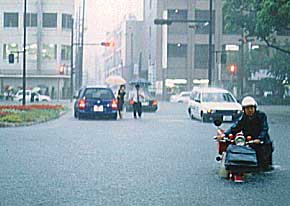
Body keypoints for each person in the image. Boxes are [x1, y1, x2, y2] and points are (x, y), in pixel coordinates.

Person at [217, 96, 273, 171]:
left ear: (255, 108)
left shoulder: (261, 116)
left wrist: (260, 139)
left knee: (264, 167)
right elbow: (235, 127)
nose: (250, 110)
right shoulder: (244, 118)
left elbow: (264, 128)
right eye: (247, 108)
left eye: (251, 108)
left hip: (262, 143)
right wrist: (225, 134)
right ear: (244, 109)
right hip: (250, 142)